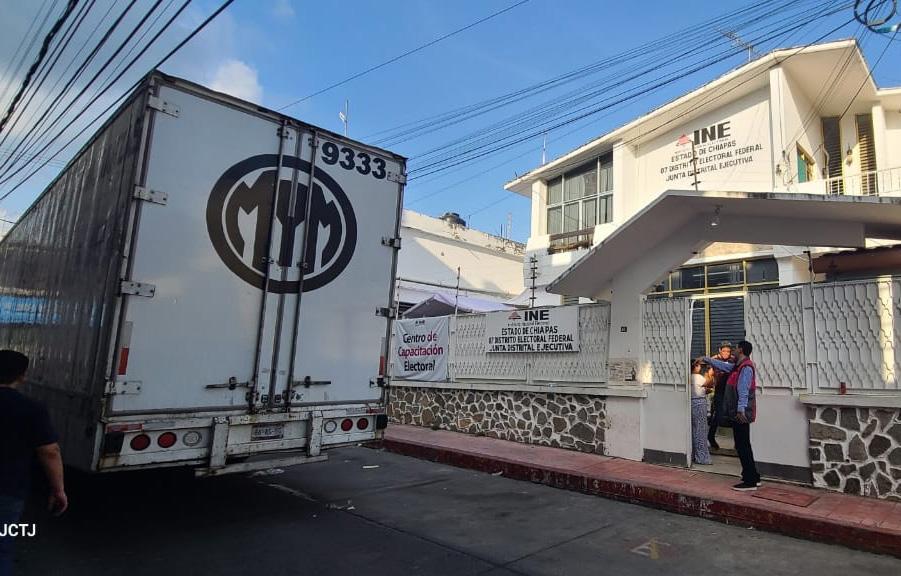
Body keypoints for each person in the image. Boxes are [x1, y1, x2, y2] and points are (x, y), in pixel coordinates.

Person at [0, 350, 67, 575]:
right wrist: (58, 490)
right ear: (22, 376)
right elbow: (50, 452)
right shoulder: (31, 409)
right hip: (8, 487)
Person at [703, 340, 760, 491]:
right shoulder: (737, 366)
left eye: (735, 348)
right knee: (743, 444)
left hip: (741, 413)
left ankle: (750, 481)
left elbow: (743, 390)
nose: (733, 351)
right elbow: (723, 366)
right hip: (737, 411)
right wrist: (707, 359)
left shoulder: (745, 368)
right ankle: (753, 476)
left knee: (742, 445)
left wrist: (741, 410)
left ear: (740, 350)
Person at [706, 341, 733, 451]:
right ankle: (711, 436)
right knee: (718, 415)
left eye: (728, 351)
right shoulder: (714, 360)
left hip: (730, 391)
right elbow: (709, 374)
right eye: (724, 351)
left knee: (733, 415)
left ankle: (737, 442)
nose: (726, 353)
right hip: (719, 391)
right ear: (719, 350)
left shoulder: (733, 360)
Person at [690, 360, 713, 465]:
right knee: (701, 431)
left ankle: (694, 455)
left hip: (692, 403)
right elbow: (710, 384)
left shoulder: (689, 377)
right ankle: (702, 458)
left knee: (694, 430)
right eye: (698, 366)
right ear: (695, 366)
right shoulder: (697, 377)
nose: (700, 368)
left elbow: (703, 389)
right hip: (699, 404)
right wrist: (710, 374)